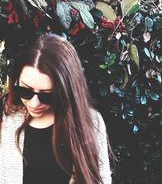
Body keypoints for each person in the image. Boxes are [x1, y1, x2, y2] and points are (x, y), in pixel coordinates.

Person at [0, 33, 112, 184]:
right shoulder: (5, 115)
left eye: (47, 96)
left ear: (66, 91)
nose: (34, 103)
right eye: (25, 91)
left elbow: (101, 180)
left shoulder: (91, 122)